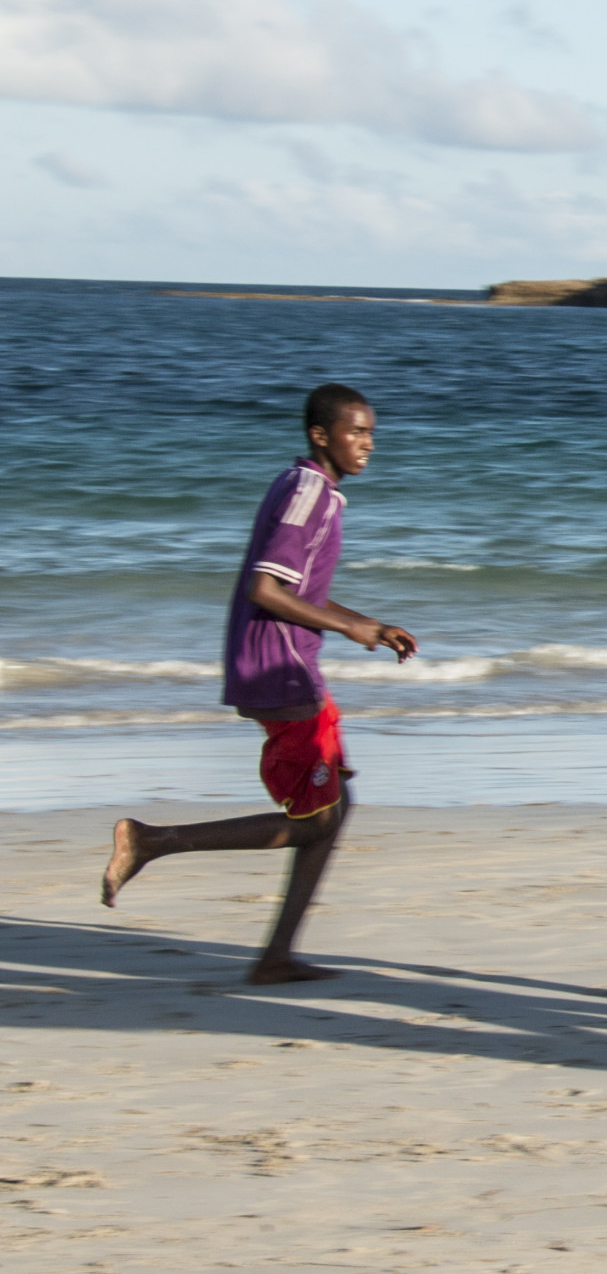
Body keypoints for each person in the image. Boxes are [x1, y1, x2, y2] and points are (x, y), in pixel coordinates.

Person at [100, 383, 420, 983]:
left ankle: (276, 956)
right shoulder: (308, 492)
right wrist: (352, 629)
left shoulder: (309, 488)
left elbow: (299, 591)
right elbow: (266, 589)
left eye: (372, 432)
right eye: (356, 431)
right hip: (281, 666)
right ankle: (152, 841)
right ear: (320, 435)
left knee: (333, 806)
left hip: (282, 661)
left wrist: (370, 625)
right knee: (319, 818)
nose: (368, 443)